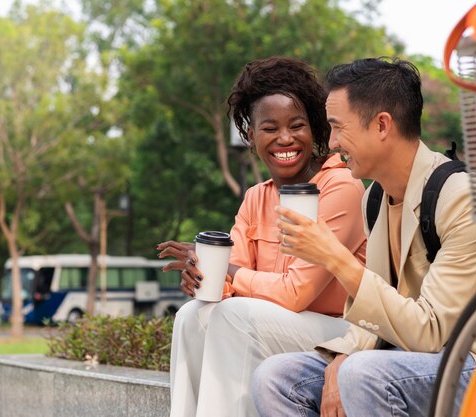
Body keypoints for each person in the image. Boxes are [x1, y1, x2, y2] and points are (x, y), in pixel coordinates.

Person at [252, 57, 476, 417]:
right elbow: (377, 313)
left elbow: (431, 331)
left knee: (364, 374)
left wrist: (335, 258)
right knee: (276, 377)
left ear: (381, 125)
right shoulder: (375, 198)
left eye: (337, 128)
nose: (330, 144)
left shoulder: (463, 198)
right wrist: (342, 356)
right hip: (408, 358)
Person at [157, 56, 367, 417]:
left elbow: (296, 293)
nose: (285, 138)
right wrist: (203, 275)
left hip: (340, 334)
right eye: (270, 128)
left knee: (234, 315)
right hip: (276, 324)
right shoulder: (257, 197)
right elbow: (230, 283)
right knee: (191, 316)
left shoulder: (341, 187)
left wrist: (229, 272)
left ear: (314, 129)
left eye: (297, 125)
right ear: (251, 136)